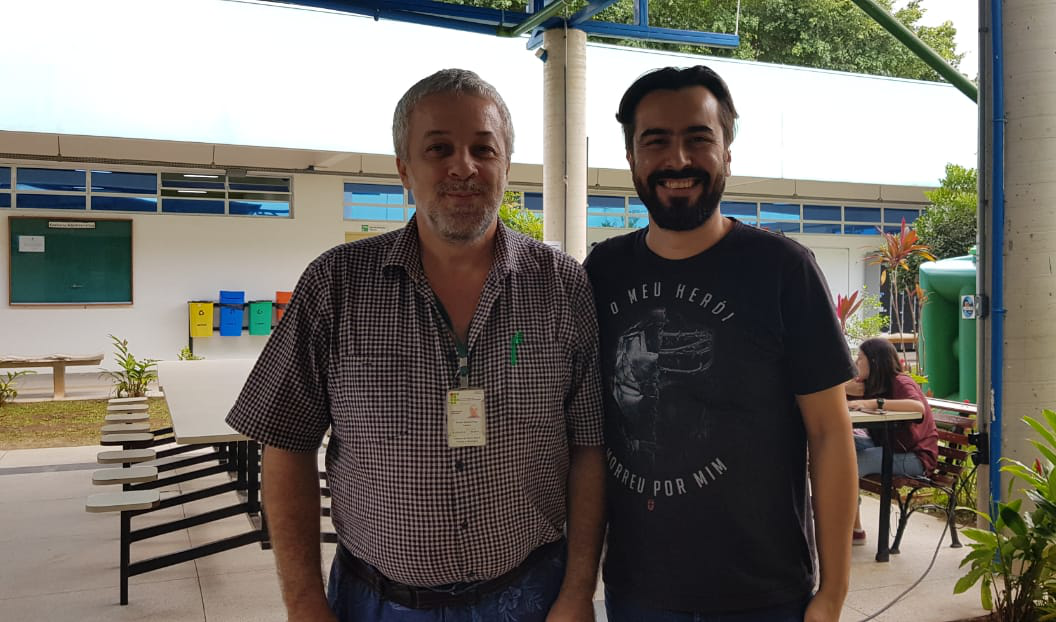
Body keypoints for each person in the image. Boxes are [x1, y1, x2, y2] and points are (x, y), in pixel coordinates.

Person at [225, 69, 604, 622]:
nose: (463, 166)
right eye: (439, 148)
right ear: (404, 169)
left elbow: (590, 448)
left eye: (483, 148)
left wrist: (576, 592)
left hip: (530, 597)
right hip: (377, 603)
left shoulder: (563, 286)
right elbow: (285, 443)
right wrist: (304, 603)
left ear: (505, 166)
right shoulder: (335, 285)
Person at [583, 65, 857, 622]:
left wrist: (832, 595)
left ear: (727, 153)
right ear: (632, 159)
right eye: (655, 141)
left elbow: (829, 433)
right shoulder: (602, 271)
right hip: (639, 593)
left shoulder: (782, 269)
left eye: (698, 138)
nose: (677, 161)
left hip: (764, 594)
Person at [845, 337, 939, 545]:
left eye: (860, 358)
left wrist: (873, 402)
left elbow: (917, 408)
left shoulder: (900, 382)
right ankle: (853, 526)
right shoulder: (875, 384)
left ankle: (847, 523)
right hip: (889, 447)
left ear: (874, 361)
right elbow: (845, 392)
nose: (856, 362)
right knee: (841, 443)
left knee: (850, 463)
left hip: (914, 457)